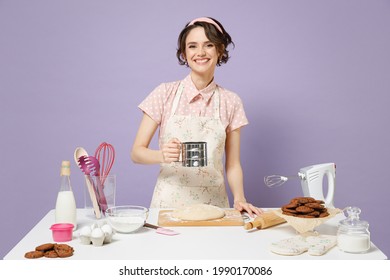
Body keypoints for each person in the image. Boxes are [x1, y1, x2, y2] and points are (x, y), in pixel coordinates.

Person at [131, 17, 262, 216]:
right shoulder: (164, 93)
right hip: (167, 206)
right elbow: (136, 153)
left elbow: (233, 164)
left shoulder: (231, 101)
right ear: (184, 54)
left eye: (208, 45)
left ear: (220, 50)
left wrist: (240, 198)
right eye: (192, 46)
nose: (200, 52)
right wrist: (162, 155)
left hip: (215, 208)